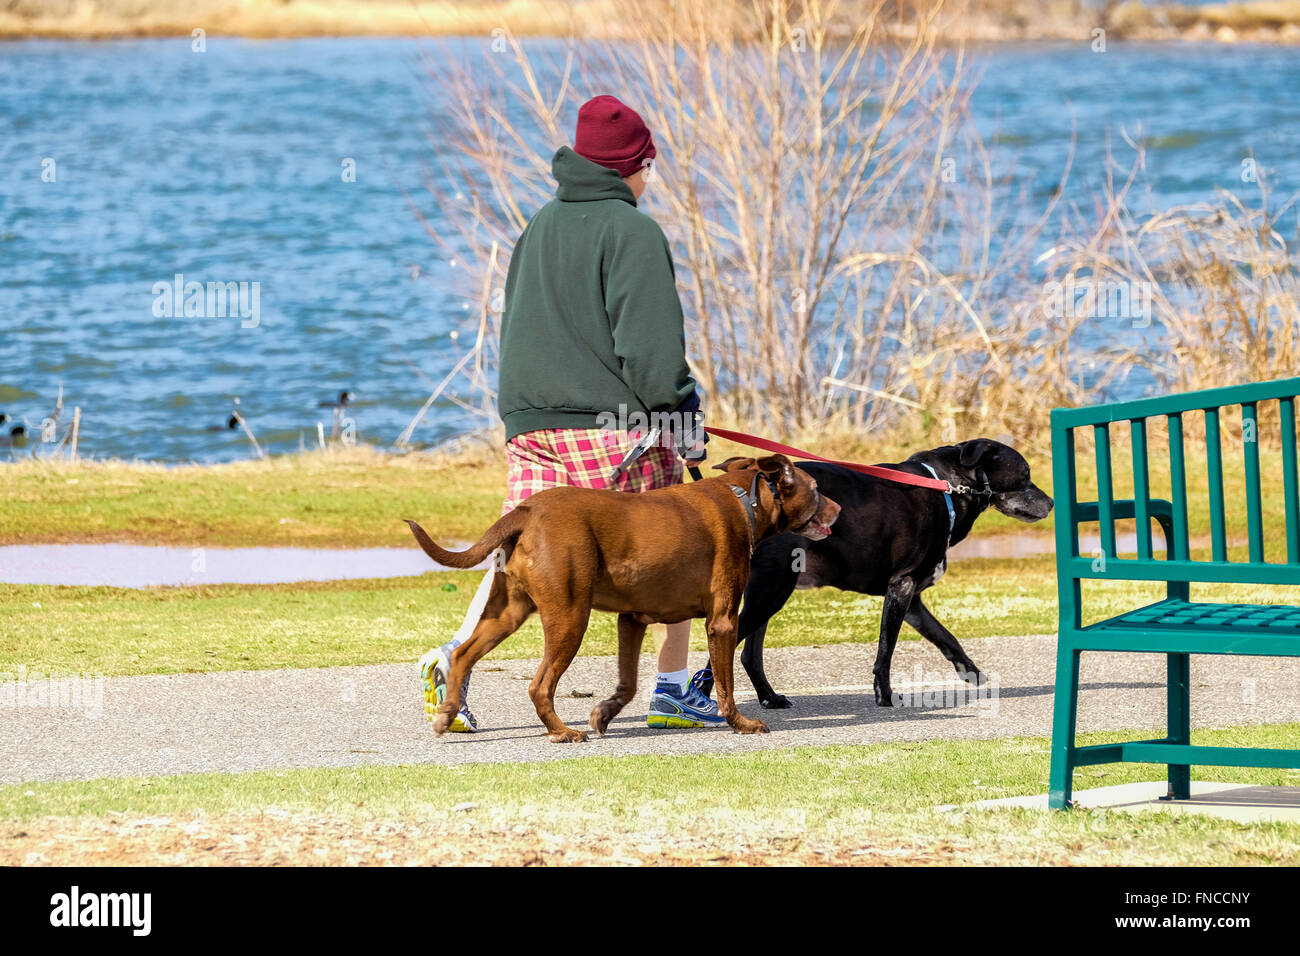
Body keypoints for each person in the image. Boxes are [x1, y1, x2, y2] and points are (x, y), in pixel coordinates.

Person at [422, 94, 720, 733]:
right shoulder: (633, 230)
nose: (651, 176)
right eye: (649, 163)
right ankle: (672, 694)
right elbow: (651, 351)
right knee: (673, 542)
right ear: (630, 165)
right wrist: (682, 414)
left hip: (531, 423)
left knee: (522, 556)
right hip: (614, 428)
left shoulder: (538, 225)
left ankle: (454, 660)